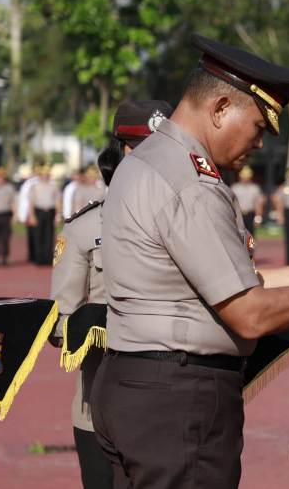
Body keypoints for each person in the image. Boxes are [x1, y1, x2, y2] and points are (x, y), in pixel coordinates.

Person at [91, 34, 289, 489]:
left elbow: (213, 281)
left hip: (134, 385)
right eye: (258, 127)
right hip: (176, 401)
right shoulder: (191, 183)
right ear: (221, 107)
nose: (259, 144)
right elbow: (248, 314)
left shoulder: (148, 159)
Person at [50, 99, 172, 489]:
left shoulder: (190, 220)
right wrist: (96, 325)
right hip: (102, 407)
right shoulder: (84, 230)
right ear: (119, 152)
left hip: (170, 405)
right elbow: (60, 324)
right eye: (141, 149)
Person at [28, 165, 61, 266]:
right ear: (39, 176)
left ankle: (48, 257)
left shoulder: (54, 187)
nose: (45, 176)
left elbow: (58, 201)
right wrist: (32, 215)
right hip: (39, 211)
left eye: (47, 174)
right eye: (43, 174)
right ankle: (39, 257)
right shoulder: (35, 187)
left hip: (50, 211)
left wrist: (58, 215)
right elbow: (31, 202)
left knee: (49, 235)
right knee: (38, 235)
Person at [231, 165, 265, 236]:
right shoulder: (235, 188)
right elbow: (231, 203)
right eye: (244, 177)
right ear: (240, 177)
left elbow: (258, 204)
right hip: (238, 214)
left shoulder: (255, 188)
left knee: (250, 235)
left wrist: (258, 217)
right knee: (238, 235)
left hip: (250, 214)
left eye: (247, 177)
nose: (245, 179)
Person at [17, 166, 40, 263]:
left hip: (40, 210)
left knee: (41, 235)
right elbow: (24, 200)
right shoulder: (28, 184)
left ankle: (39, 254)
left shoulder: (43, 182)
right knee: (32, 235)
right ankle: (33, 255)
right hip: (31, 212)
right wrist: (24, 215)